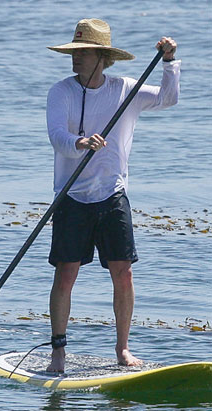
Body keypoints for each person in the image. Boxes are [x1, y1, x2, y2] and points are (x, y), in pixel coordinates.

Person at [45, 18, 179, 373]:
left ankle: (122, 348)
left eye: (84, 52)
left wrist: (169, 62)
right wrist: (80, 142)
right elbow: (57, 136)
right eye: (74, 52)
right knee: (66, 273)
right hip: (71, 195)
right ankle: (58, 353)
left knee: (124, 273)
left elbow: (169, 98)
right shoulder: (61, 92)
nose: (76, 58)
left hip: (112, 195)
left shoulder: (125, 90)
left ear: (102, 57)